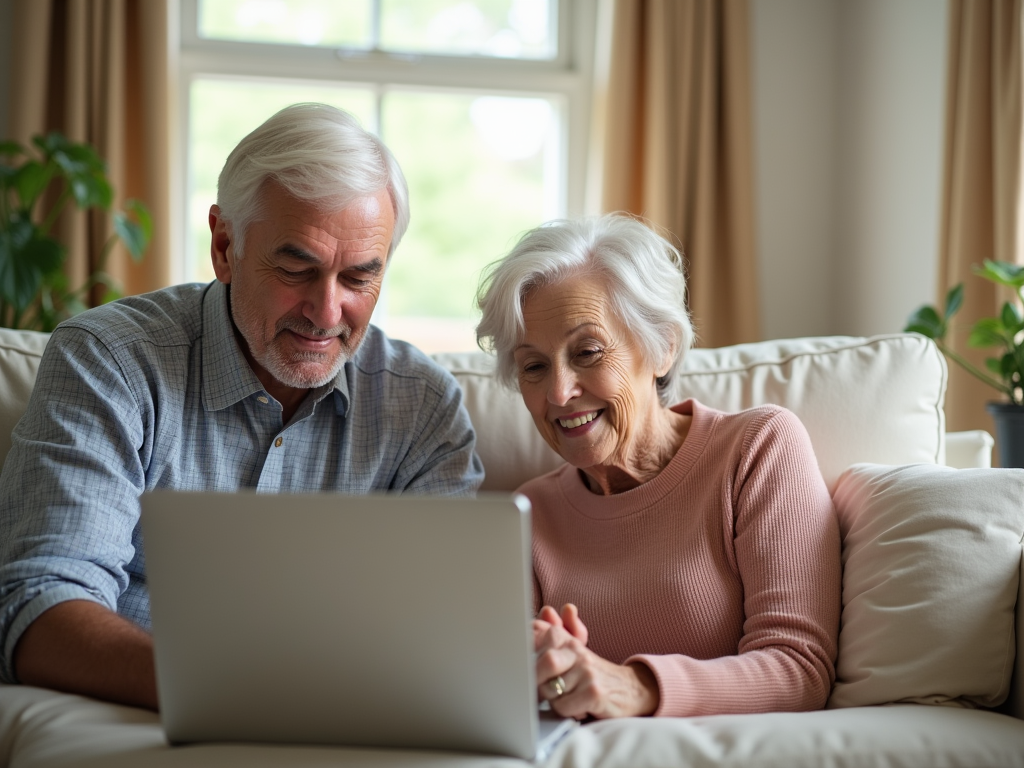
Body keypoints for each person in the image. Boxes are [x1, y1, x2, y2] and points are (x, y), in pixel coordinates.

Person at [0, 103, 484, 709]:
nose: (327, 313)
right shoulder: (110, 362)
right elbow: (38, 607)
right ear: (225, 245)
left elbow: (446, 632)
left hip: (346, 727)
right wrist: (242, 692)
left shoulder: (423, 407)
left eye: (359, 278)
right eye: (295, 266)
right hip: (135, 714)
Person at [475, 214, 841, 720]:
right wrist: (544, 675)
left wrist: (632, 686)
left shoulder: (756, 449)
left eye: (587, 352)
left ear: (663, 347)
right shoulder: (529, 512)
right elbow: (501, 694)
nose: (558, 393)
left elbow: (799, 669)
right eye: (534, 367)